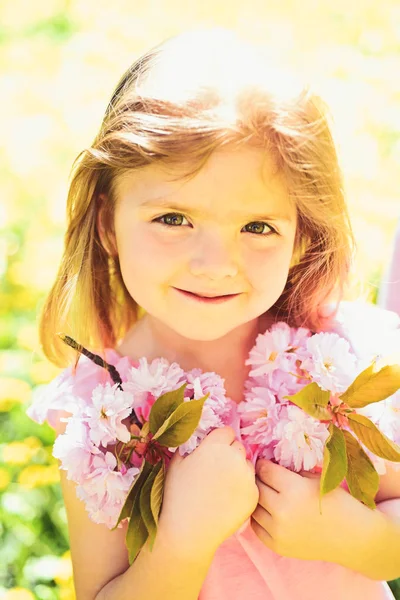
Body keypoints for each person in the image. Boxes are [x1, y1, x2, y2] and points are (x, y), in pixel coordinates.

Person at [26, 27, 400, 600]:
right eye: (174, 218)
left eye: (257, 227)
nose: (214, 264)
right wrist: (182, 542)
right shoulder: (100, 419)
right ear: (107, 224)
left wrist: (351, 537)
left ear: (300, 237)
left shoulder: (336, 362)